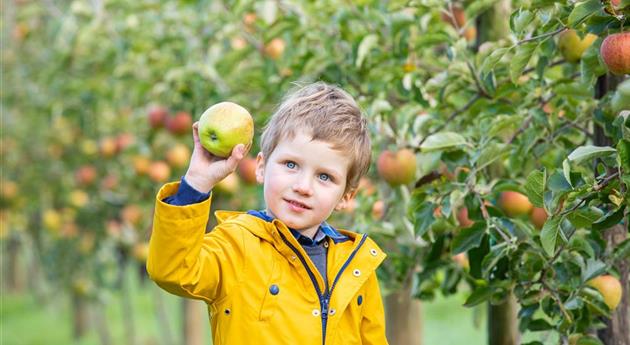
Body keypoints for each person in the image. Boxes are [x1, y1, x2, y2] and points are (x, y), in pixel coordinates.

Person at [147, 82, 389, 345]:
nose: (303, 187)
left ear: (345, 197)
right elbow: (172, 271)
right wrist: (196, 184)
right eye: (291, 164)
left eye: (324, 176)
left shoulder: (356, 265)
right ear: (261, 167)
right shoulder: (236, 246)